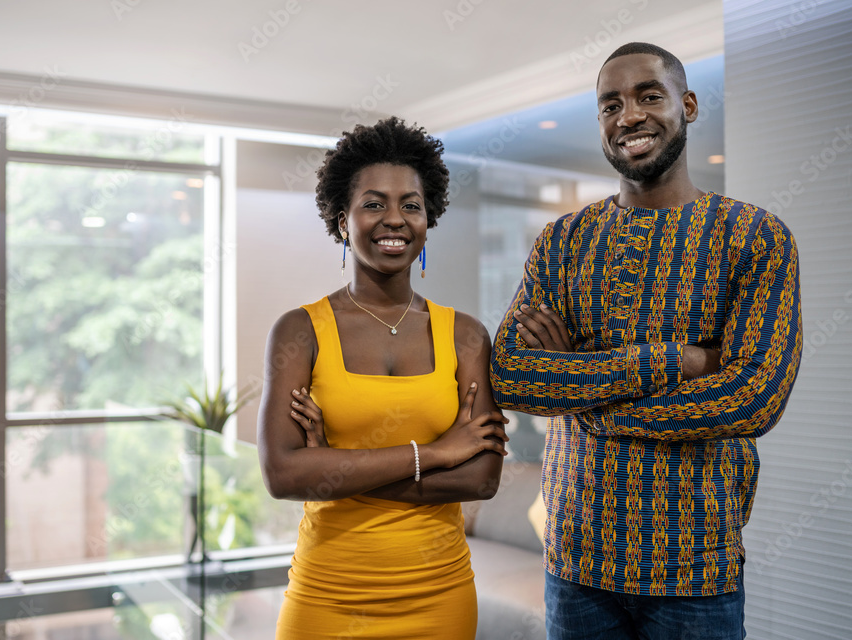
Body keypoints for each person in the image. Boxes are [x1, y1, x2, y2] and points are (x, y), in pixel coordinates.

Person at [490, 42, 803, 639]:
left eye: (648, 96)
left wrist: (579, 388)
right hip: (575, 560)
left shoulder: (755, 237)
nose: (628, 116)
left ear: (686, 104)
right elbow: (511, 374)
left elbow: (753, 398)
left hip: (693, 566)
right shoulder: (563, 241)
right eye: (610, 105)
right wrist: (679, 360)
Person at [257, 116, 510, 639]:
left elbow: (482, 479)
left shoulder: (466, 336)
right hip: (327, 594)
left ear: (428, 218)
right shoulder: (299, 331)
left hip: (439, 595)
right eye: (373, 203)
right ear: (341, 218)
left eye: (410, 205)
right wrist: (435, 453)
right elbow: (283, 475)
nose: (394, 219)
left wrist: (334, 466)